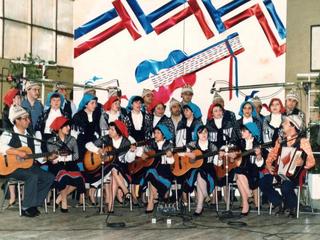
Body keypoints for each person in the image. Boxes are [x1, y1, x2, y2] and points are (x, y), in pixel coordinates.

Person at [0, 105, 55, 217]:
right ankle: (26, 207)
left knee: (49, 177)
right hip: (11, 168)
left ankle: (33, 204)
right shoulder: (8, 133)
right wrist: (17, 152)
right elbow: (1, 146)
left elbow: (39, 156)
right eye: (25, 118)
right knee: (32, 176)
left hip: (28, 166)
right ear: (17, 120)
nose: (29, 121)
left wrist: (48, 158)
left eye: (28, 118)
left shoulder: (32, 137)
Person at [259, 115, 315, 217]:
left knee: (286, 185)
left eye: (285, 122)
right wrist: (268, 165)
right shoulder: (280, 141)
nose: (282, 124)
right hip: (279, 173)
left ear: (292, 126)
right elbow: (271, 156)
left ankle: (292, 206)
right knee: (263, 182)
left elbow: (311, 161)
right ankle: (278, 202)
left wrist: (303, 162)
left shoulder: (303, 141)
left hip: (295, 175)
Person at [85, 120, 136, 213]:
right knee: (113, 168)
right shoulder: (105, 139)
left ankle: (111, 207)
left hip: (121, 169)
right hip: (105, 169)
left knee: (114, 170)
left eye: (112, 130)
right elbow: (88, 144)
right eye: (109, 129)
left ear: (118, 131)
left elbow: (129, 160)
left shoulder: (126, 142)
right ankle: (125, 191)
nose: (109, 131)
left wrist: (132, 152)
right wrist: (98, 150)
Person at [47, 116, 85, 213]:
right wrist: (58, 158)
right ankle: (64, 201)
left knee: (79, 178)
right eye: (66, 126)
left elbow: (76, 156)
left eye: (69, 126)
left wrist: (63, 158)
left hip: (70, 164)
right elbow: (53, 157)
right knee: (64, 176)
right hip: (56, 166)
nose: (69, 128)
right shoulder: (51, 141)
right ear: (59, 128)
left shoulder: (72, 139)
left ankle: (58, 199)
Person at [231, 122, 266, 216]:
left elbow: (260, 165)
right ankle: (249, 196)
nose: (241, 133)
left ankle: (246, 205)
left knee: (238, 177)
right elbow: (233, 156)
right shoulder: (240, 142)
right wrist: (232, 155)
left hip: (253, 172)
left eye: (244, 131)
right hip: (242, 170)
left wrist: (258, 155)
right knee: (238, 172)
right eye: (241, 131)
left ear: (251, 132)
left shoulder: (257, 144)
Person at [183, 125, 218, 216]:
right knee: (198, 173)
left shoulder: (213, 146)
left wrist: (220, 158)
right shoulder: (192, 145)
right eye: (201, 132)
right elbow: (186, 158)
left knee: (200, 175)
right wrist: (189, 155)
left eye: (205, 132)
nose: (203, 134)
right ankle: (205, 197)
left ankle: (199, 207)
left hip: (209, 169)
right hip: (194, 169)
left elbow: (216, 162)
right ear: (197, 134)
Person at [139, 124, 174, 213]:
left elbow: (171, 162)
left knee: (151, 173)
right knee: (151, 172)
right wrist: (141, 154)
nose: (156, 135)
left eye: (158, 133)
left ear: (163, 135)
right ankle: (153, 198)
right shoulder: (151, 144)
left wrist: (169, 157)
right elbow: (140, 152)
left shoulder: (168, 145)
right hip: (153, 168)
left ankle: (152, 200)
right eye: (155, 133)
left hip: (165, 170)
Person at [206, 103, 234, 205]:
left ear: (222, 112)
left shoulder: (229, 124)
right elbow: (207, 141)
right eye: (215, 111)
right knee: (214, 173)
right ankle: (214, 198)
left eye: (219, 110)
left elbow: (233, 139)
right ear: (212, 113)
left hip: (227, 153)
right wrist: (216, 152)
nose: (218, 112)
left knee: (227, 174)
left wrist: (225, 149)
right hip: (214, 154)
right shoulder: (208, 125)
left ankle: (227, 199)